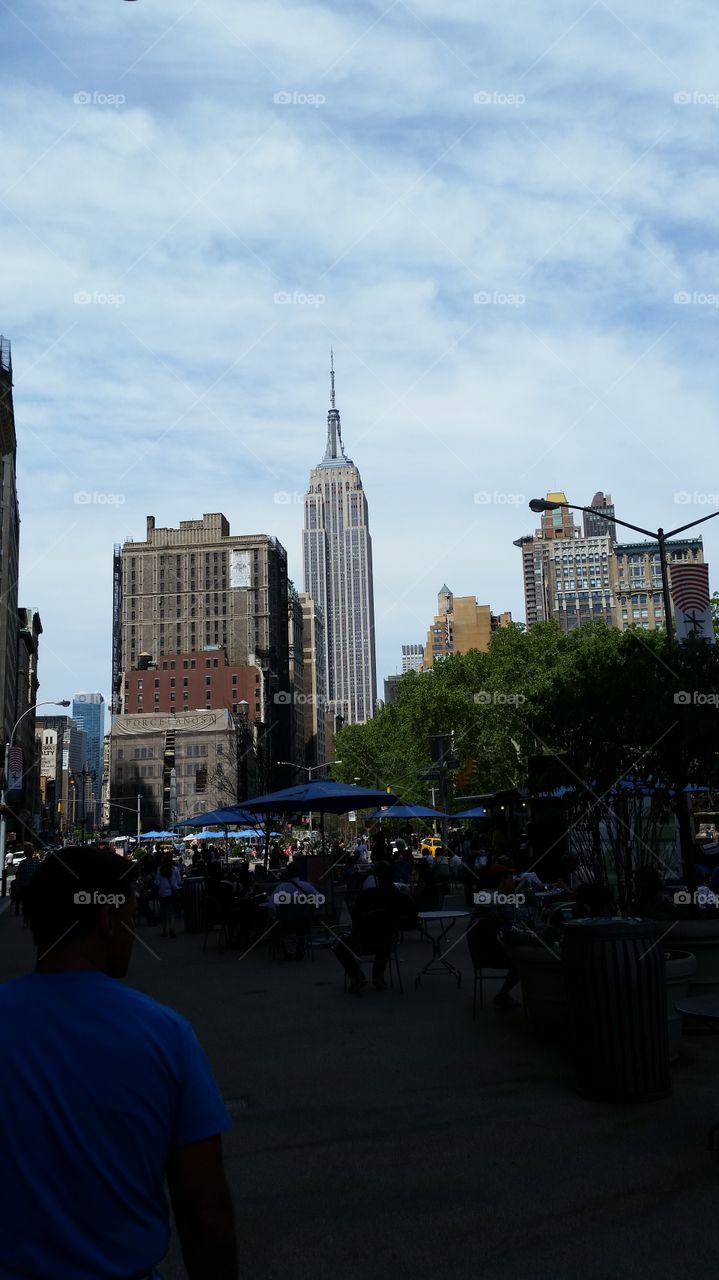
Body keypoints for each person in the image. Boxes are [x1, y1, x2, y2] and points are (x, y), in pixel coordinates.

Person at [0, 846, 237, 1279]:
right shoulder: (166, 1035)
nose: (133, 929)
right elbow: (205, 1210)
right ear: (107, 921)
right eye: (128, 915)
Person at [334, 861, 417, 993]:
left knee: (338, 945)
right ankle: (378, 975)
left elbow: (355, 917)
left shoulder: (367, 895)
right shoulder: (400, 897)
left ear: (377, 878)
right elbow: (414, 915)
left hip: (363, 941)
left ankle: (357, 976)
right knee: (384, 934)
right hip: (388, 941)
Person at [468, 862, 521, 1009]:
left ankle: (504, 996)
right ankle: (505, 996)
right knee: (526, 960)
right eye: (511, 877)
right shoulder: (501, 900)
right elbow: (514, 926)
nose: (514, 880)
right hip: (493, 952)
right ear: (503, 879)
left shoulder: (489, 895)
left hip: (481, 952)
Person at [267, 861, 321, 959]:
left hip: (285, 924)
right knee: (302, 922)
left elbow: (271, 906)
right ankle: (300, 948)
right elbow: (319, 900)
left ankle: (282, 948)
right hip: (303, 923)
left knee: (273, 923)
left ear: (287, 873)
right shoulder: (307, 886)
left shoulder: (281, 888)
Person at [155, 852, 182, 938]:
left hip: (162, 893)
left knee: (163, 913)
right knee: (171, 912)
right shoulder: (175, 869)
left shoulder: (159, 869)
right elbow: (179, 882)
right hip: (172, 893)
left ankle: (164, 931)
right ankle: (172, 929)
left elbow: (157, 882)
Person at [14, 843, 41, 927]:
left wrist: (18, 886)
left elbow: (19, 876)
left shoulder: (22, 863)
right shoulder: (36, 862)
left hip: (25, 887)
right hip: (33, 887)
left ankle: (26, 921)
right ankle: (31, 920)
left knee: (26, 905)